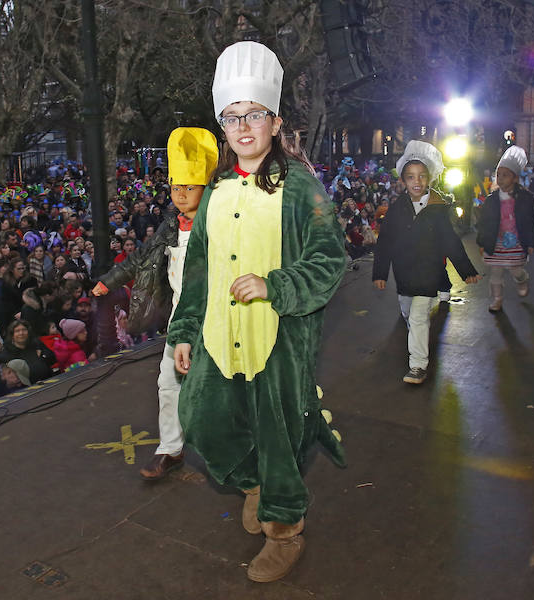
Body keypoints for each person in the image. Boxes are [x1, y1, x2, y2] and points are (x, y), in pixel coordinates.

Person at [167, 42, 347, 582]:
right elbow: (197, 268)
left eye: (255, 115)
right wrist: (183, 330)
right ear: (223, 124)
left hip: (279, 340)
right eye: (232, 117)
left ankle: (283, 529)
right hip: (219, 336)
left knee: (280, 437)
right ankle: (253, 484)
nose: (243, 126)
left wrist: (277, 285)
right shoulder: (217, 191)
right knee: (201, 421)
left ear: (275, 120)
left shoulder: (300, 187)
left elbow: (331, 258)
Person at [93, 126, 218, 480]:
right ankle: (170, 448)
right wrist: (109, 281)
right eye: (176, 187)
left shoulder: (221, 227)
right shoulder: (168, 226)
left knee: (221, 387)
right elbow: (140, 260)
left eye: (188, 187)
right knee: (168, 382)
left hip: (217, 318)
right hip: (181, 318)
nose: (180, 194)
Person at [373, 140, 480, 384]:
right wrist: (380, 273)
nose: (417, 182)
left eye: (422, 176)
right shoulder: (397, 208)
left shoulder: (437, 209)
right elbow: (385, 242)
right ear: (403, 181)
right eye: (411, 177)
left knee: (419, 317)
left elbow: (451, 241)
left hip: (429, 272)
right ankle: (414, 336)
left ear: (429, 178)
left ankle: (418, 366)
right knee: (409, 312)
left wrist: (466, 270)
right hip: (405, 273)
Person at [476, 146, 534, 312]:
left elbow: (531, 222)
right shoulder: (491, 200)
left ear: (515, 178)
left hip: (516, 242)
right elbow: (484, 222)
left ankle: (522, 279)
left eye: (506, 175)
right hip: (496, 242)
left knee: (515, 269)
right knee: (495, 273)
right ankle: (497, 299)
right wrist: (482, 241)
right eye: (499, 175)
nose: (501, 179)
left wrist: (531, 242)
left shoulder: (525, 198)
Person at [2, 319, 56, 383]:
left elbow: (53, 357)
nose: (21, 333)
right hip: (27, 388)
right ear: (12, 335)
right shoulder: (8, 352)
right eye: (17, 331)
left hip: (49, 381)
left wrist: (43, 356)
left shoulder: (36, 344)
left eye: (24, 330)